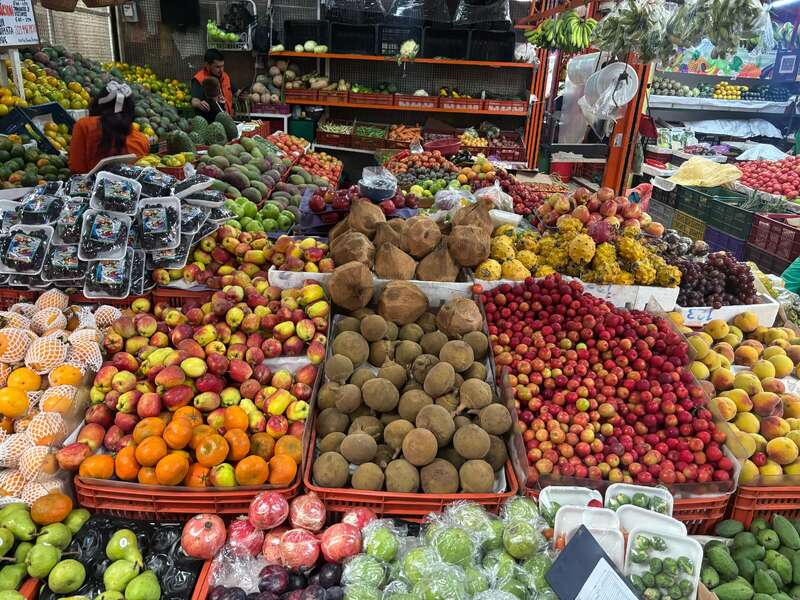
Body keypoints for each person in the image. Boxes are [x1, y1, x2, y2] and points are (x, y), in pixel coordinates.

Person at [69, 81, 150, 174]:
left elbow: (77, 169)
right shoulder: (142, 140)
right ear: (130, 110)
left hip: (89, 183)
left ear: (98, 103)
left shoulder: (84, 126)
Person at [192, 49, 237, 121]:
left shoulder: (225, 76)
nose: (221, 70)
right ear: (207, 65)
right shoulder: (199, 79)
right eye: (217, 67)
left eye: (222, 66)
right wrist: (200, 104)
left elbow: (236, 92)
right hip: (212, 123)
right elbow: (195, 101)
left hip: (229, 120)